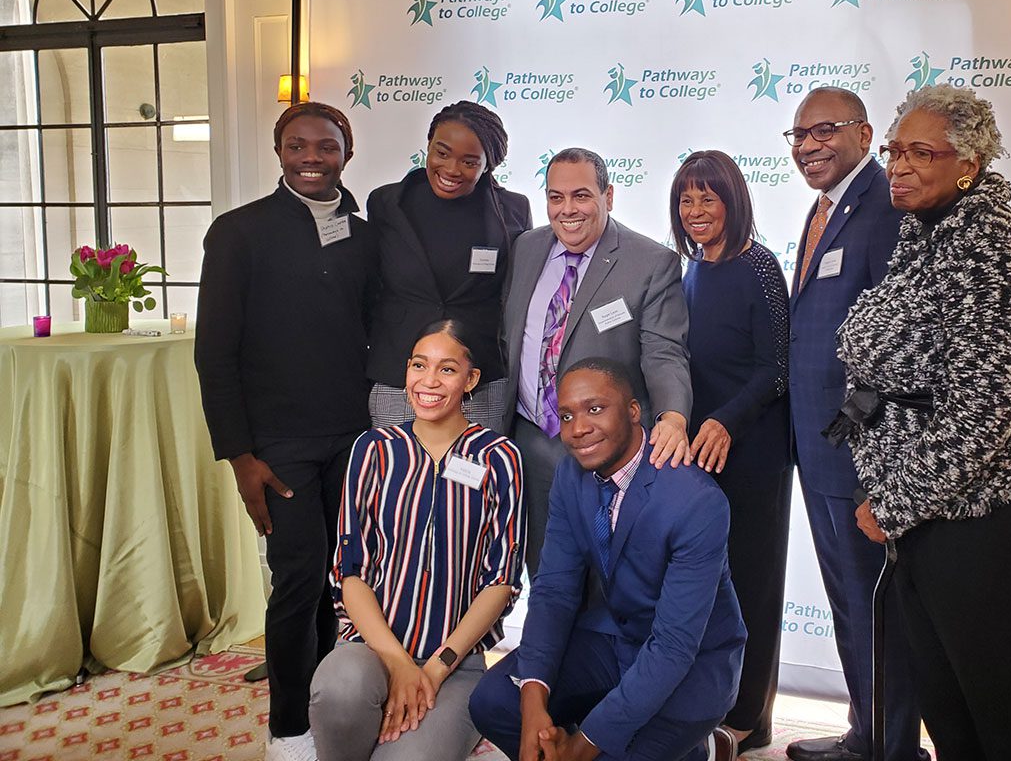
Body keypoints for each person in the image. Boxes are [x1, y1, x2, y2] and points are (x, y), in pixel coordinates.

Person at [837, 84, 1011, 760]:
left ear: (969, 162)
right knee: (957, 712)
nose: (898, 165)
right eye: (896, 150)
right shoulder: (924, 231)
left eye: (920, 152)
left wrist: (894, 503)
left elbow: (983, 412)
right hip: (936, 519)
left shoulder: (990, 246)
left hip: (995, 523)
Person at [194, 101, 378, 761]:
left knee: (347, 582)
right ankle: (289, 729)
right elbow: (213, 354)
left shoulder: (365, 233)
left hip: (355, 439)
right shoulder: (238, 233)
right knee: (298, 579)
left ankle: (334, 711)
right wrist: (240, 456)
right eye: (296, 145)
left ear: (345, 154)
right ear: (278, 152)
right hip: (280, 448)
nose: (310, 157)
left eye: (324, 147)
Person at [469, 358, 743, 761]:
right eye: (566, 415)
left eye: (595, 409)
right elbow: (554, 591)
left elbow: (672, 646)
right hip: (611, 637)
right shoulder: (569, 475)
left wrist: (582, 746)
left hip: (690, 664)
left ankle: (702, 747)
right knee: (494, 702)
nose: (578, 428)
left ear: (634, 411)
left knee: (604, 753)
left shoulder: (697, 501)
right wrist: (533, 702)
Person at [781, 88, 926, 761]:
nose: (807, 145)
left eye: (823, 131)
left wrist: (885, 474)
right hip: (817, 451)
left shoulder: (884, 208)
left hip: (860, 459)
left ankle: (891, 749)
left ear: (864, 135)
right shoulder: (824, 210)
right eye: (798, 135)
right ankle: (867, 734)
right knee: (849, 604)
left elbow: (899, 348)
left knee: (876, 610)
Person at [309, 319, 525, 761]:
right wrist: (397, 663)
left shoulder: (499, 457)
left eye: (447, 369)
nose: (428, 381)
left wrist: (432, 668)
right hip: (368, 648)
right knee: (338, 692)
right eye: (418, 365)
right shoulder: (373, 450)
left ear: (471, 380)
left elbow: (501, 581)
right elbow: (350, 571)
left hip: (453, 663)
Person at [500, 147, 691, 574]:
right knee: (544, 573)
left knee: (606, 580)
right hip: (529, 442)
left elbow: (664, 351)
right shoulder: (526, 248)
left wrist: (674, 417)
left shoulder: (650, 262)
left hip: (605, 449)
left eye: (581, 196)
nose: (568, 210)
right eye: (556, 197)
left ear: (608, 196)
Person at [669, 150, 793, 752]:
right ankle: (713, 703)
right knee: (711, 585)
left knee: (754, 582)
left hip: (752, 450)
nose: (696, 211)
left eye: (708, 198)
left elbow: (778, 368)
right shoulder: (693, 268)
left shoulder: (760, 265)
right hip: (700, 451)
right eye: (687, 199)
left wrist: (725, 421)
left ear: (733, 201)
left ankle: (749, 719)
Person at [366, 101, 533, 432]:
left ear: (488, 165)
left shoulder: (513, 209)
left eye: (469, 161)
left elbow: (515, 292)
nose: (452, 168)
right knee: (400, 478)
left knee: (471, 479)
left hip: (479, 380)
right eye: (442, 153)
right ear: (428, 147)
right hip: (398, 376)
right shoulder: (386, 203)